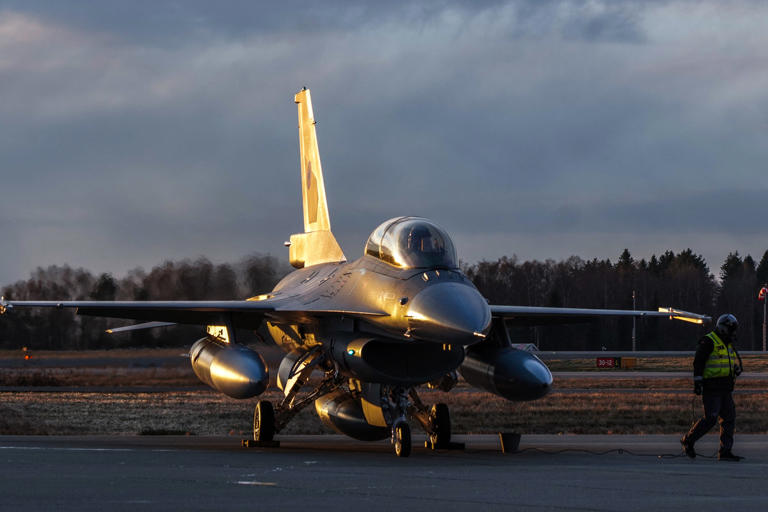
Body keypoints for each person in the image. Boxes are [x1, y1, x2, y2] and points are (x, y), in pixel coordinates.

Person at [681, 314, 743, 461]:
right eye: (731, 330)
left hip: (725, 387)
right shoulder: (709, 341)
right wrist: (698, 382)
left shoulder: (728, 343)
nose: (733, 333)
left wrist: (735, 369)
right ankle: (688, 440)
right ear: (723, 329)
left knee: (729, 418)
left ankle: (725, 451)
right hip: (712, 387)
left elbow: (727, 363)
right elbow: (699, 362)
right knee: (711, 418)